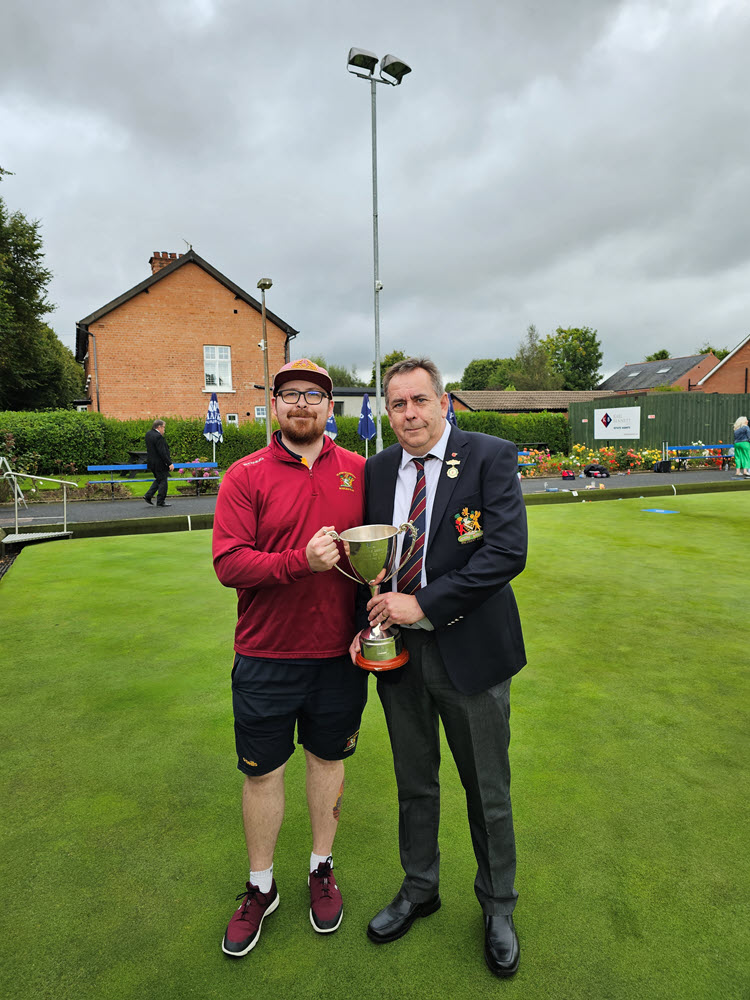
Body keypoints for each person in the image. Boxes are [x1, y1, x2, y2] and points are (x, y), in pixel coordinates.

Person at [350, 357, 527, 978]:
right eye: (397, 405)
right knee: (415, 782)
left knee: (488, 790)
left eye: (419, 401)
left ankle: (498, 905)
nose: (409, 415)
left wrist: (422, 602)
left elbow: (506, 552)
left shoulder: (489, 456)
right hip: (400, 656)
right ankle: (420, 886)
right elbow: (366, 560)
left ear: (443, 402)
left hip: (470, 654)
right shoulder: (376, 470)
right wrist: (366, 622)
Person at [213, 359, 367, 958]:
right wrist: (298, 561)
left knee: (328, 761)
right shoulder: (245, 474)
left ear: (331, 408)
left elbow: (370, 561)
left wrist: (369, 614)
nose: (302, 404)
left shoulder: (359, 471)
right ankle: (261, 885)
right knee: (263, 772)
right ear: (275, 405)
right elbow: (229, 564)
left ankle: (320, 867)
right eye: (290, 395)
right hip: (265, 654)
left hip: (337, 655)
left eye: (315, 395)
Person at [144, 419, 174, 506]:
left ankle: (148, 496)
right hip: (160, 464)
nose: (164, 430)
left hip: (152, 463)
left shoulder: (148, 434)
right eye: (163, 427)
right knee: (163, 482)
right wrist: (169, 463)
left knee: (159, 480)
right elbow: (162, 452)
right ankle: (160, 501)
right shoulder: (158, 437)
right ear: (159, 427)